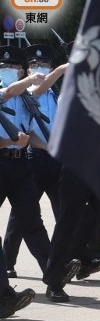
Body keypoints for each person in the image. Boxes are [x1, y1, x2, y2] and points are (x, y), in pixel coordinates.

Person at [0, 46, 52, 281]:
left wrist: (50, 147)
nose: (7, 70)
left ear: (20, 71)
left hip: (20, 166)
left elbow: (31, 134)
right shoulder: (8, 92)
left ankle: (54, 275)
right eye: (2, 66)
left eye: (12, 67)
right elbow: (9, 91)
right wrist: (9, 141)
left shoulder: (26, 99)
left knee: (32, 221)